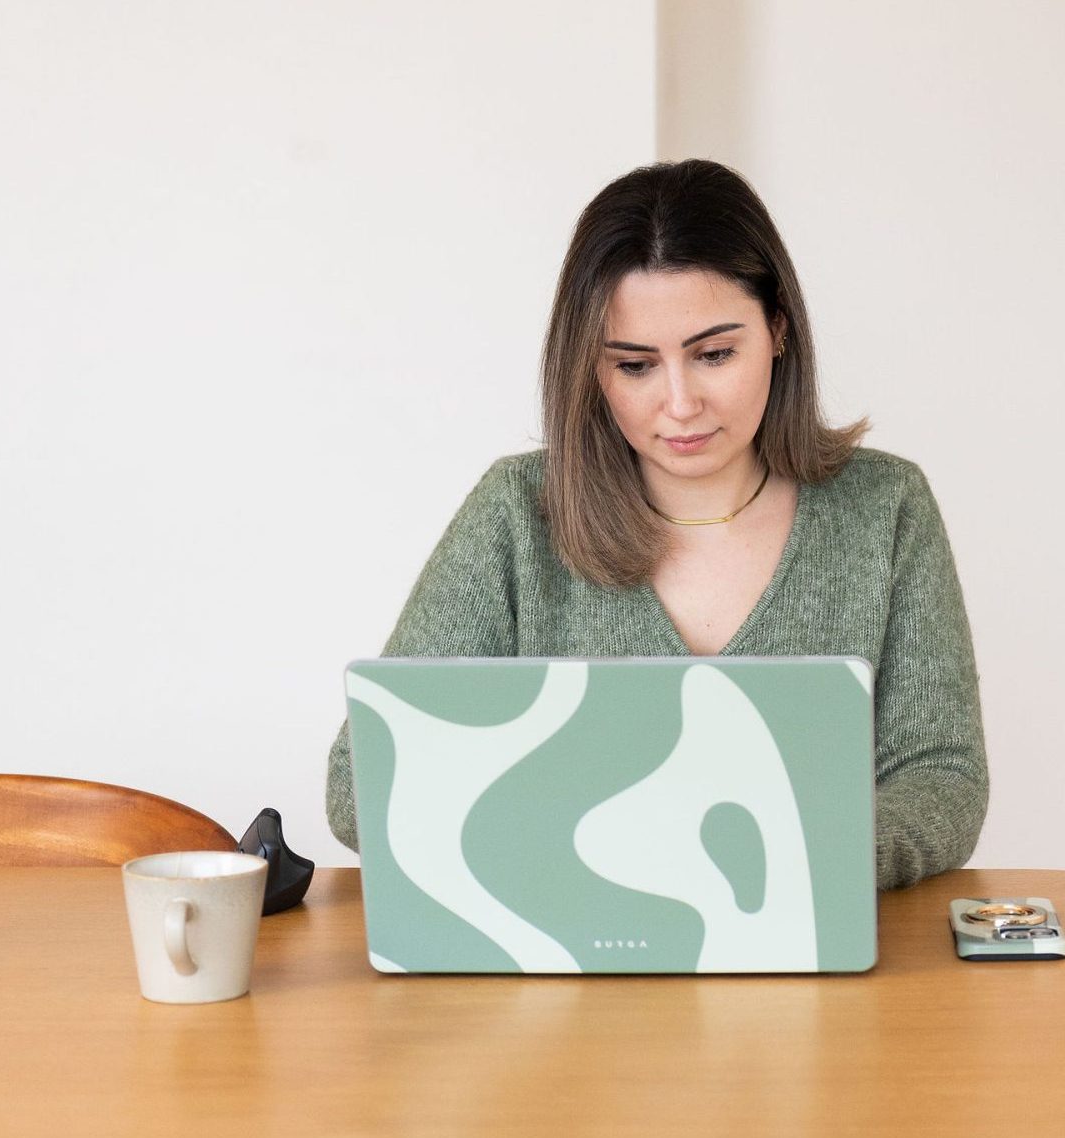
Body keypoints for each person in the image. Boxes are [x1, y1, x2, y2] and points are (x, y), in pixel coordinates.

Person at [324, 158, 987, 890]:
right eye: (635, 366)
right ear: (590, 367)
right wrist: (598, 855)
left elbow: (940, 775)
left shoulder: (885, 507)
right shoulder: (516, 512)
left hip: (812, 959)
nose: (679, 403)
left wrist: (808, 864)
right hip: (563, 967)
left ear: (778, 330)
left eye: (713, 354)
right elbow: (361, 782)